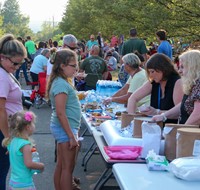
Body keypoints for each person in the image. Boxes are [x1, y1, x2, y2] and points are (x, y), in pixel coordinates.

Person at [46, 49, 81, 190]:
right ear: (62, 66)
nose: (76, 69)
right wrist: (71, 136)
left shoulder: (61, 81)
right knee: (67, 168)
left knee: (62, 165)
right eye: (73, 66)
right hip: (65, 129)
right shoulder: (60, 84)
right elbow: (60, 112)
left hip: (64, 128)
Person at [0, 34, 27, 190]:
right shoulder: (2, 76)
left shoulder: (5, 72)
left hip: (6, 131)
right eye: (15, 63)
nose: (17, 67)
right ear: (2, 57)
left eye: (20, 63)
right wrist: (8, 138)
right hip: (3, 132)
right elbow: (0, 109)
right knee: (2, 172)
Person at [127, 53, 183, 124]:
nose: (151, 75)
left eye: (152, 71)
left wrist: (157, 112)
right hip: (156, 127)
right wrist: (132, 121)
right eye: (149, 72)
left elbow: (180, 112)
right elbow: (132, 98)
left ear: (163, 69)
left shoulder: (177, 82)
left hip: (171, 128)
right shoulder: (154, 82)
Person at [152, 50, 200, 125]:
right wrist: (163, 116)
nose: (179, 71)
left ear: (193, 67)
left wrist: (182, 131)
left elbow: (198, 114)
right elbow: (183, 105)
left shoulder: (198, 85)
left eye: (182, 67)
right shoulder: (194, 84)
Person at [2, 111, 44, 190]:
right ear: (28, 127)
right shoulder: (25, 145)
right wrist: (41, 166)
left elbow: (11, 151)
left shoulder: (12, 141)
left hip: (13, 183)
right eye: (33, 123)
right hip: (25, 184)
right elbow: (28, 164)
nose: (34, 125)